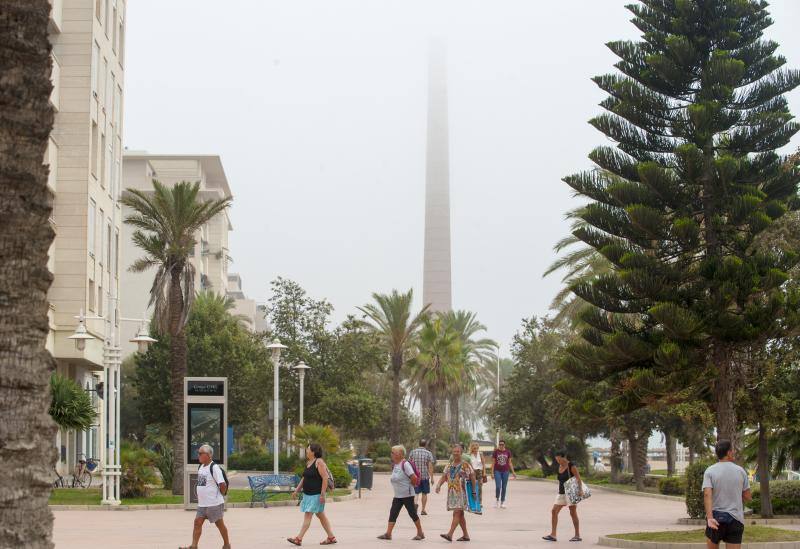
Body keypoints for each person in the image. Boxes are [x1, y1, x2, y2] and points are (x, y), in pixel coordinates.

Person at [703, 439, 751, 549]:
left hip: (715, 519)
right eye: (732, 451)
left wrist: (710, 518)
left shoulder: (709, 471)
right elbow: (748, 497)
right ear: (729, 453)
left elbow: (707, 494)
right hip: (735, 519)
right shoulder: (740, 471)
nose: (733, 452)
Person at [180, 444, 231, 549]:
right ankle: (194, 546)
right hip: (202, 504)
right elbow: (202, 484)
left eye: (200, 453)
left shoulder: (215, 468)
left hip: (214, 504)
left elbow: (222, 485)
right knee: (197, 523)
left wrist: (219, 495)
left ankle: (227, 545)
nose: (198, 455)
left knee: (219, 525)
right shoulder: (201, 467)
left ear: (208, 455)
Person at [287, 444, 337, 546]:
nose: (306, 450)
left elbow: (325, 478)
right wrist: (297, 490)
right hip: (308, 494)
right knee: (321, 516)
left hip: (316, 494)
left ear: (313, 452)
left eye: (308, 449)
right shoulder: (309, 462)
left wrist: (322, 494)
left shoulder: (319, 462)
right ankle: (331, 537)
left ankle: (298, 539)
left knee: (308, 515)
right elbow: (304, 478)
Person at [377, 445, 425, 541]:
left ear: (400, 454)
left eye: (393, 452)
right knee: (393, 513)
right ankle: (388, 534)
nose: (391, 454)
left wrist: (410, 487)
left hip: (407, 495)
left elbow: (414, 477)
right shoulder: (395, 464)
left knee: (412, 514)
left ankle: (420, 533)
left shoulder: (405, 464)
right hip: (398, 495)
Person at [435, 443, 477, 542]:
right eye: (454, 452)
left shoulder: (465, 465)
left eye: (458, 452)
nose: (456, 453)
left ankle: (450, 534)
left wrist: (474, 491)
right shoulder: (449, 465)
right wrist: (438, 485)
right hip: (452, 493)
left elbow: (472, 476)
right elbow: (444, 476)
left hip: (462, 493)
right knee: (460, 514)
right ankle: (466, 535)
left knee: (456, 513)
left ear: (461, 453)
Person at [542, 450, 583, 542]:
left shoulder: (571, 465)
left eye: (559, 459)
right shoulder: (559, 466)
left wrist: (580, 490)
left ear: (564, 457)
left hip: (570, 492)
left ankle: (577, 535)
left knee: (572, 512)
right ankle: (553, 535)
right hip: (561, 493)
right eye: (557, 460)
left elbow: (578, 478)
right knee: (554, 511)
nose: (558, 461)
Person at [409, 439, 436, 516]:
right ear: (425, 445)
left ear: (419, 444)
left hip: (414, 476)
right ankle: (423, 510)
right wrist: (432, 478)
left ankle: (414, 505)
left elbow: (409, 464)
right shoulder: (428, 453)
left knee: (416, 492)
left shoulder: (412, 452)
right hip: (425, 477)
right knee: (424, 493)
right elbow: (430, 466)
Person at [491, 440, 516, 508]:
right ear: (499, 445)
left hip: (506, 471)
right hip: (497, 471)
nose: (501, 446)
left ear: (505, 445)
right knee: (498, 487)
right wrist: (492, 473)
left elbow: (510, 463)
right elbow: (493, 463)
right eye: (500, 444)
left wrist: (513, 472)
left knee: (504, 487)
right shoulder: (495, 452)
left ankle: (502, 502)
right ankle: (496, 500)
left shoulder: (508, 452)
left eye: (502, 444)